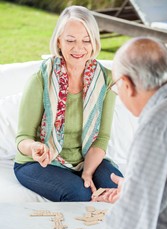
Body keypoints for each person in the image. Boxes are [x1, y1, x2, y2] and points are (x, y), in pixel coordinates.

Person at [13, 5, 123, 202]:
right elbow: (23, 138)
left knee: (119, 189)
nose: (79, 48)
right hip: (37, 163)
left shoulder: (106, 80)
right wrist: (35, 148)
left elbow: (102, 138)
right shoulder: (40, 79)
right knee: (80, 194)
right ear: (59, 42)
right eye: (70, 40)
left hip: (83, 161)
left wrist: (87, 173)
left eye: (86, 40)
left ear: (94, 42)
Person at [80, 37, 167, 229]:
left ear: (128, 85)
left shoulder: (157, 124)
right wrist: (133, 184)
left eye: (115, 86)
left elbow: (130, 226)